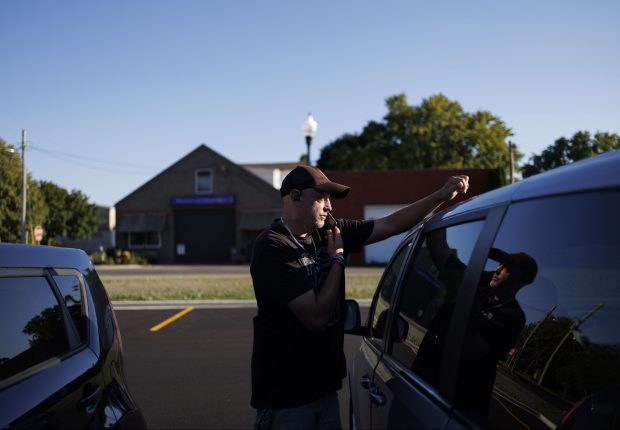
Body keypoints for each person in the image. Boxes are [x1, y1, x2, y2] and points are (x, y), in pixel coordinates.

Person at [250, 165, 469, 430]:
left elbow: (389, 224)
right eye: (322, 197)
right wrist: (338, 259)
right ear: (295, 196)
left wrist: (440, 196)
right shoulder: (274, 246)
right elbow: (317, 317)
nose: (329, 206)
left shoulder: (328, 232)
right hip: (286, 400)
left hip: (324, 391)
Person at [413, 244, 538, 421]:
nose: (497, 269)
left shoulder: (513, 317)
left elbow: (470, 350)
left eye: (507, 267)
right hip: (423, 381)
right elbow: (439, 249)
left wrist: (461, 298)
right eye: (499, 264)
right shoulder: (478, 287)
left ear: (522, 280)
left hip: (457, 409)